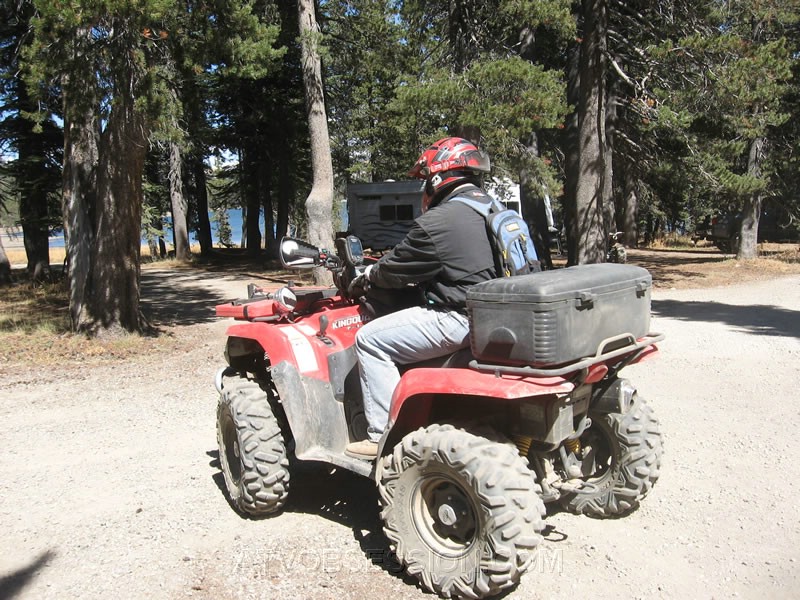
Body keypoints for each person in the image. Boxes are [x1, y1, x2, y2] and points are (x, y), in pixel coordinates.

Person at [344, 137, 498, 460]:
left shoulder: (440, 221)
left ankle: (382, 438)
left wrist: (366, 276)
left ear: (439, 177)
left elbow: (394, 267)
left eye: (426, 179)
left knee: (369, 340)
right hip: (494, 317)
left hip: (458, 319)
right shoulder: (490, 209)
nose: (425, 187)